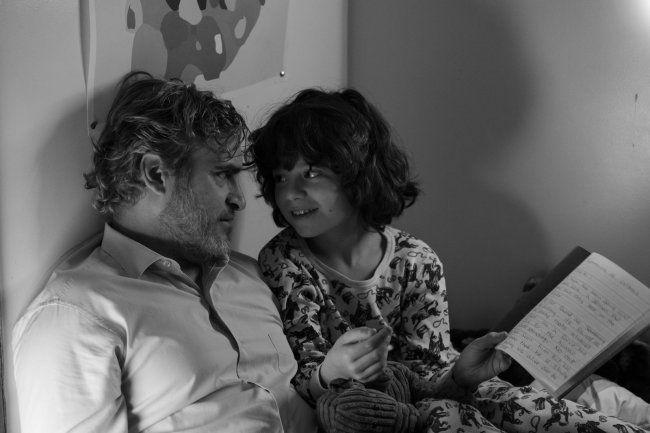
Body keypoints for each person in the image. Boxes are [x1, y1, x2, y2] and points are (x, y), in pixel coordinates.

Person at [246, 87, 650, 432]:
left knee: (521, 403)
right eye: (280, 177)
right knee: (449, 417)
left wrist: (462, 374)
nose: (290, 192)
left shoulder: (415, 260)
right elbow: (302, 379)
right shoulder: (284, 263)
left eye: (311, 173)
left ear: (357, 173)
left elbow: (433, 373)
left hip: (433, 390)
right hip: (368, 413)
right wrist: (329, 374)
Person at [12, 71, 317, 433]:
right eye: (222, 174)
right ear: (156, 173)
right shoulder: (76, 316)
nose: (239, 199)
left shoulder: (250, 275)